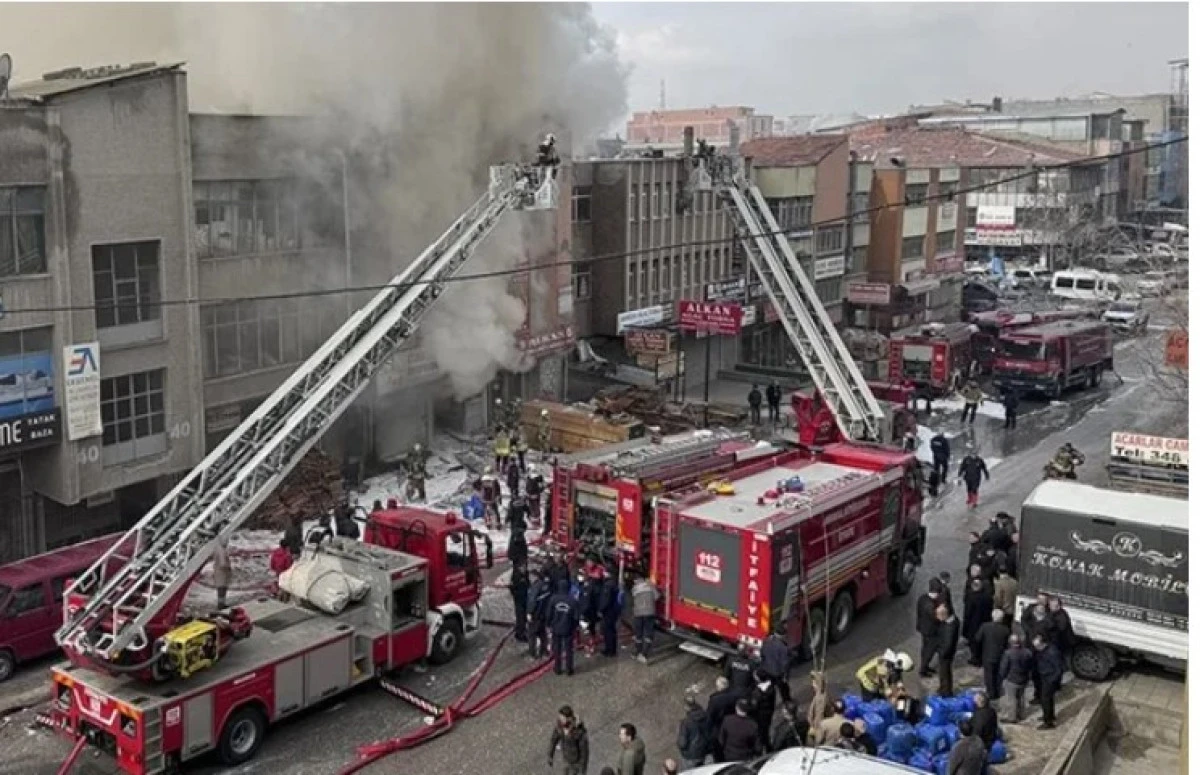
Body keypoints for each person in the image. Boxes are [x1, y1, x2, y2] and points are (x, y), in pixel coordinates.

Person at [998, 634, 1034, 723]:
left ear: (1010, 642)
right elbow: (1030, 666)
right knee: (1021, 697)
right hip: (1024, 678)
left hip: (1012, 679)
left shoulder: (1008, 653)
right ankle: (1021, 714)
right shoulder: (1027, 652)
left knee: (1012, 699)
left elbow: (1004, 668)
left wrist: (1002, 677)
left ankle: (1012, 717)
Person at [976, 609, 1011, 700]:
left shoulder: (985, 626)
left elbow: (977, 638)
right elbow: (1008, 644)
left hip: (987, 654)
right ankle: (997, 690)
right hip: (1000, 655)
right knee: (998, 674)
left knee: (989, 675)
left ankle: (991, 693)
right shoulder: (1006, 630)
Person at [548, 579, 580, 676]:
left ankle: (557, 669)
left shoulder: (553, 599)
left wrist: (549, 624)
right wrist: (574, 627)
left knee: (557, 649)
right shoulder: (573, 601)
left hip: (556, 628)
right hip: (568, 628)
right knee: (569, 649)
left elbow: (549, 614)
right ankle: (569, 670)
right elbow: (576, 617)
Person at [1032, 634, 1064, 729]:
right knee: (1048, 699)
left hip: (1049, 679)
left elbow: (1059, 669)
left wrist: (1052, 680)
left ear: (1043, 644)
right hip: (1044, 676)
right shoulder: (1043, 651)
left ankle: (1048, 722)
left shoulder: (1052, 652)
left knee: (1045, 699)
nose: (1036, 648)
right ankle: (1050, 715)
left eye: (1037, 646)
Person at [548, 706, 589, 775]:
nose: (560, 720)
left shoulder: (579, 731)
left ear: (569, 718)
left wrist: (582, 770)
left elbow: (584, 751)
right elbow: (553, 740)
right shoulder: (560, 726)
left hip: (576, 762)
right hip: (566, 759)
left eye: (562, 718)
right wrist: (550, 755)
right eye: (560, 717)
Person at [963, 578, 994, 666]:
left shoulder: (971, 598)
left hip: (973, 624)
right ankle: (981, 656)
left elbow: (968, 613)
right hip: (985, 621)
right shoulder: (988, 597)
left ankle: (975, 658)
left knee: (974, 641)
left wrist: (965, 627)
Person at [705, 676, 740, 752]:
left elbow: (710, 715)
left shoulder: (715, 699)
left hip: (719, 724)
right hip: (733, 721)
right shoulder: (735, 694)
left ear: (718, 687)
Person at [916, 579, 943, 677]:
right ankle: (923, 670)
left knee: (925, 649)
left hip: (923, 628)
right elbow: (936, 618)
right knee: (930, 650)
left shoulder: (922, 598)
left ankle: (925, 666)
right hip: (931, 631)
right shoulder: (930, 605)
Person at [760, 625, 792, 703]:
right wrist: (785, 676)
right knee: (784, 690)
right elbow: (785, 664)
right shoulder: (783, 648)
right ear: (782, 635)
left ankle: (767, 702)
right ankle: (787, 703)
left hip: (767, 670)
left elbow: (762, 654)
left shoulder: (766, 641)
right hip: (778, 673)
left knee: (768, 689)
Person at [631, 575, 660, 663]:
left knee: (638, 634)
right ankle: (644, 654)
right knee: (648, 633)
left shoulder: (634, 588)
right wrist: (652, 585)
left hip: (638, 614)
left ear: (636, 580)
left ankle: (637, 652)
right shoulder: (650, 586)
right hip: (649, 613)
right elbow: (657, 597)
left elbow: (633, 596)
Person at [677, 694, 710, 769]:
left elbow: (682, 743)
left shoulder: (686, 722)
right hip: (705, 750)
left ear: (687, 707)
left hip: (691, 755)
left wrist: (678, 744)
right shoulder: (706, 715)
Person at [527, 569, 553, 659]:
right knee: (542, 633)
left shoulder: (535, 587)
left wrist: (529, 612)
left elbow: (532, 601)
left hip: (536, 614)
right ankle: (544, 651)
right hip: (544, 614)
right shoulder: (546, 586)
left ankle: (532, 654)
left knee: (532, 634)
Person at [936, 604, 960, 697]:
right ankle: (944, 687)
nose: (937, 617)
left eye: (938, 615)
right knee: (944, 672)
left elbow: (948, 644)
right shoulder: (953, 620)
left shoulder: (950, 628)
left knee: (945, 672)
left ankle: (946, 691)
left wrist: (941, 652)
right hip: (946, 652)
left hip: (946, 654)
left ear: (944, 615)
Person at [597, 564, 621, 657]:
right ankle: (612, 649)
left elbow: (605, 600)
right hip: (614, 610)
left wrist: (600, 609)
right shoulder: (614, 583)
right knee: (612, 630)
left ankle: (609, 650)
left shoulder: (608, 585)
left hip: (608, 611)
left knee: (608, 631)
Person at [748, 669, 777, 745]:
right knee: (766, 728)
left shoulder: (757, 693)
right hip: (769, 712)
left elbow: (754, 705)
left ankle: (765, 745)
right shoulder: (771, 687)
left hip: (761, 714)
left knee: (763, 732)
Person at [1047, 597, 1075, 668]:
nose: (1050, 607)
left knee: (1061, 661)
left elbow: (1060, 628)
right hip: (1060, 642)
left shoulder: (1061, 616)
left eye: (1052, 606)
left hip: (1063, 643)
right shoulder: (1055, 613)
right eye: (1050, 605)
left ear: (1058, 606)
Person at [806, 673, 832, 744]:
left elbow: (819, 714)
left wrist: (814, 727)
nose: (812, 685)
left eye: (814, 683)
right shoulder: (820, 694)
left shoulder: (820, 698)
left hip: (818, 728)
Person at [509, 562, 530, 643]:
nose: (524, 569)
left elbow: (528, 583)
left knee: (524, 616)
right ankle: (519, 634)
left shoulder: (525, 574)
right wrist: (516, 595)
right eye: (523, 567)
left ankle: (523, 630)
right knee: (520, 617)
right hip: (518, 599)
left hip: (525, 598)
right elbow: (512, 588)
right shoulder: (516, 576)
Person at [212, 536, 232, 609]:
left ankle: (221, 603)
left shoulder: (218, 549)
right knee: (222, 588)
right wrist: (228, 566)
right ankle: (221, 604)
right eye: (226, 541)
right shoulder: (221, 550)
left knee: (221, 588)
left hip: (219, 571)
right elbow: (223, 563)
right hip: (222, 572)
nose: (227, 543)